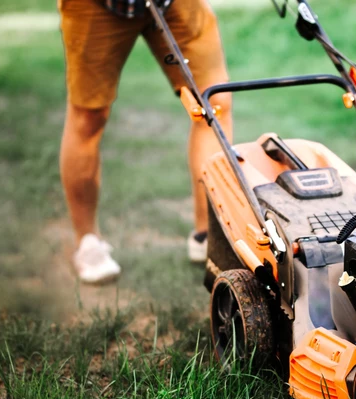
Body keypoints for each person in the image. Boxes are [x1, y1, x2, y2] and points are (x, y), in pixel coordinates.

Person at [59, 0, 232, 283]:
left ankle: (208, 235)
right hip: (97, 6)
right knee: (88, 116)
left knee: (213, 103)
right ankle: (88, 242)